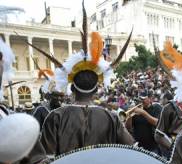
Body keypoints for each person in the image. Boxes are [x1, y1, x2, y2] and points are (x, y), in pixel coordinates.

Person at [36, 3, 134, 156]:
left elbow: (45, 161)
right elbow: (132, 148)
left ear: (73, 87)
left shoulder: (55, 117)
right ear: (96, 89)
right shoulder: (111, 118)